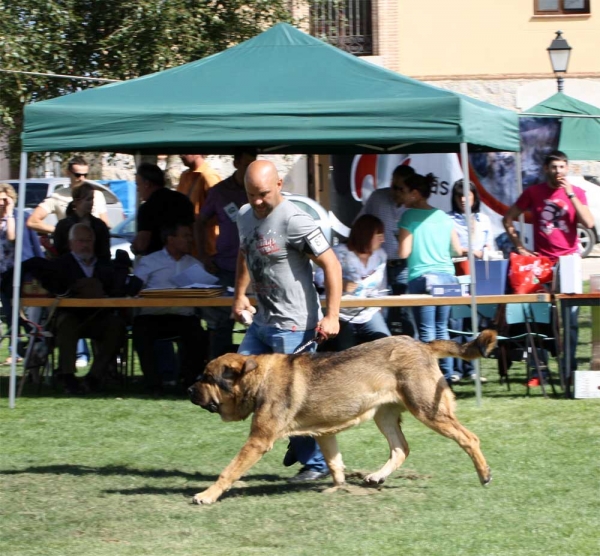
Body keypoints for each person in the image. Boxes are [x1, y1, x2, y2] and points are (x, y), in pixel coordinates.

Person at [232, 160, 342, 482]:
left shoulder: (296, 221)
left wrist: (332, 315)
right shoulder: (243, 215)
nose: (257, 201)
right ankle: (292, 437)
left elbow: (332, 265)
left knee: (295, 400)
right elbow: (244, 253)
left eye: (263, 194)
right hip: (262, 321)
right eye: (251, 194)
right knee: (241, 382)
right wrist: (239, 295)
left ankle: (316, 465)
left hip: (295, 325)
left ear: (279, 184)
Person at [503, 150, 594, 386]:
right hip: (542, 263)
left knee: (570, 319)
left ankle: (569, 368)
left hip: (570, 261)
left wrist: (571, 194)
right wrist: (520, 247)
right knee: (541, 320)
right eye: (553, 167)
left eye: (561, 167)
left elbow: (590, 223)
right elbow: (509, 218)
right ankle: (539, 371)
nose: (558, 171)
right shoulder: (534, 192)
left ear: (567, 168)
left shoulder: (577, 193)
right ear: (546, 169)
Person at [23, 224, 129, 394]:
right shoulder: (60, 265)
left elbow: (114, 291)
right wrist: (74, 288)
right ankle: (68, 377)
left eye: (88, 240)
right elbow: (54, 290)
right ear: (71, 243)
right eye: (81, 241)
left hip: (98, 316)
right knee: (67, 324)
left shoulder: (105, 265)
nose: (85, 245)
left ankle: (95, 376)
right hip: (70, 316)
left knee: (116, 326)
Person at [397, 173, 462, 385]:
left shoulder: (408, 217)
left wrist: (400, 238)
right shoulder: (444, 217)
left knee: (426, 330)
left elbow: (403, 253)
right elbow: (457, 249)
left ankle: (430, 379)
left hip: (422, 279)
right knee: (442, 328)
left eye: (403, 190)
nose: (400, 195)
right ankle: (448, 374)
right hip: (447, 277)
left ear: (415, 194)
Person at [133, 223, 209, 394]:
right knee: (140, 331)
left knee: (198, 334)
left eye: (190, 236)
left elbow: (206, 290)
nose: (190, 240)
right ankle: (153, 384)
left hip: (183, 317)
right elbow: (133, 288)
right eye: (186, 235)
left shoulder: (195, 264)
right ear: (171, 239)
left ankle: (189, 382)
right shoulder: (150, 261)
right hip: (152, 317)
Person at [197, 147, 257, 360]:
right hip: (225, 269)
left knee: (257, 324)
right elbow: (200, 222)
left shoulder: (258, 191)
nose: (250, 168)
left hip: (255, 271)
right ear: (236, 163)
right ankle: (217, 373)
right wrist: (204, 255)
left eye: (253, 163)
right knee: (221, 324)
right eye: (246, 163)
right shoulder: (219, 192)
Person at [358, 164, 416, 337]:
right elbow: (361, 223)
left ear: (410, 190)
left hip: (406, 265)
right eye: (393, 186)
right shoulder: (378, 198)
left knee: (407, 312)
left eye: (400, 188)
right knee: (383, 310)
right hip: (380, 265)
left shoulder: (414, 206)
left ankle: (412, 352)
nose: (395, 191)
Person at [317, 215, 390, 351]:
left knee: (386, 344)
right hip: (340, 312)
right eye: (378, 235)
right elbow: (319, 277)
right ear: (365, 234)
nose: (383, 239)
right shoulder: (338, 253)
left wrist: (380, 309)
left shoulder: (381, 256)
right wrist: (341, 283)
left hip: (368, 312)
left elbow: (381, 288)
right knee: (347, 351)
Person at [447, 179, 492, 383]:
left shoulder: (483, 220)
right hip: (456, 273)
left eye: (468, 195)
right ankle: (455, 367)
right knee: (455, 321)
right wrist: (468, 251)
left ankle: (471, 367)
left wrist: (484, 252)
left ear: (475, 197)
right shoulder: (448, 220)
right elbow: (449, 248)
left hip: (479, 275)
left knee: (474, 322)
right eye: (459, 196)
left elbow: (488, 245)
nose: (464, 200)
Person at [26, 156, 110, 234]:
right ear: (68, 173)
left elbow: (104, 224)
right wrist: (61, 231)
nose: (82, 178)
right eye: (77, 175)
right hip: (69, 246)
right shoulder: (57, 196)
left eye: (85, 175)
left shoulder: (97, 194)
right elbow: (32, 222)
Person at [132, 163, 195, 256]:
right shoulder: (183, 200)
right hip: (184, 258)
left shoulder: (147, 208)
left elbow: (142, 244)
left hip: (158, 262)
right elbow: (194, 229)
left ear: (147, 184)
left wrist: (134, 247)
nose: (137, 189)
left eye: (138, 184)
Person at [177, 154, 221, 257]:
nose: (180, 155)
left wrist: (200, 224)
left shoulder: (209, 176)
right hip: (188, 250)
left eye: (185, 150)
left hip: (208, 251)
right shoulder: (184, 177)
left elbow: (221, 210)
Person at [53, 182, 111, 261]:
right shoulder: (63, 226)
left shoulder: (99, 225)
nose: (91, 203)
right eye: (88, 199)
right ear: (77, 201)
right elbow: (59, 252)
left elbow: (105, 254)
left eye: (92, 199)